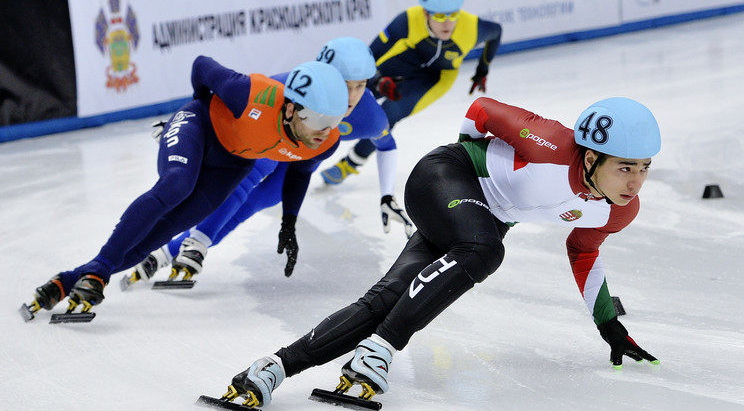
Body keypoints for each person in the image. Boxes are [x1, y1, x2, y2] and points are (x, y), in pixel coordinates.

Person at [215, 96, 662, 408]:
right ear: (589, 159)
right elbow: (481, 110)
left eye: (643, 169)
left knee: (390, 298)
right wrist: (469, 154)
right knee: (485, 250)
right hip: (444, 176)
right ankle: (381, 350)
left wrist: (608, 323)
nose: (635, 182)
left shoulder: (618, 211)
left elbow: (583, 254)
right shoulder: (549, 142)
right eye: (624, 168)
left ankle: (271, 369)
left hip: (473, 221)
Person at [21, 58, 349, 319]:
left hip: (233, 163)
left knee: (166, 230)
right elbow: (201, 66)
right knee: (177, 185)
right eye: (319, 121)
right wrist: (197, 107)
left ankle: (70, 280)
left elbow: (298, 176)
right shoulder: (249, 93)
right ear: (291, 108)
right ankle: (98, 269)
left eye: (332, 121)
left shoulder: (326, 141)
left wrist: (288, 221)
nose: (325, 131)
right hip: (199, 127)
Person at [124, 37, 413, 287]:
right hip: (273, 138)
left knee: (265, 197)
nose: (350, 97)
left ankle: (172, 250)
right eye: (343, 85)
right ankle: (196, 243)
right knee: (249, 175)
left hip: (301, 157)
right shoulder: (290, 85)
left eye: (360, 86)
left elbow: (387, 144)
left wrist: (387, 195)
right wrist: (189, 121)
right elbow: (235, 98)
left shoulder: (370, 116)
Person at [319, 0, 502, 188]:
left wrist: (483, 69)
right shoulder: (406, 21)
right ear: (425, 13)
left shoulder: (473, 28)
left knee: (389, 114)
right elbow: (370, 55)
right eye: (439, 16)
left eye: (453, 15)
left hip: (435, 78)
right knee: (354, 94)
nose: (447, 23)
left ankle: (350, 164)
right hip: (401, 63)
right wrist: (378, 79)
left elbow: (496, 32)